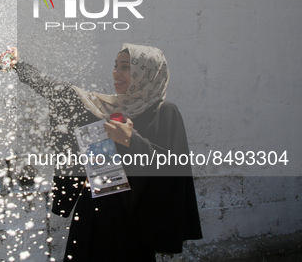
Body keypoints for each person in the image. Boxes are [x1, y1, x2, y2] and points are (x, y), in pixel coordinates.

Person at [10, 43, 202, 261]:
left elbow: (173, 172)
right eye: (115, 65)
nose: (116, 73)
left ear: (147, 73)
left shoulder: (165, 113)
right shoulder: (105, 108)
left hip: (132, 226)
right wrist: (18, 66)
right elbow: (58, 90)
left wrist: (131, 140)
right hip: (92, 214)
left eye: (125, 67)